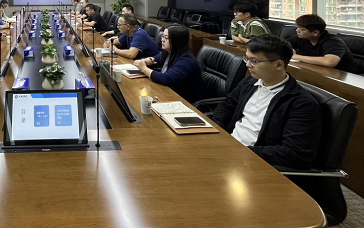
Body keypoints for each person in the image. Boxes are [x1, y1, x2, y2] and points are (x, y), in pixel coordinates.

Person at [212, 35, 322, 169]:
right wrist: (217, 132)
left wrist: (239, 150)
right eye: (247, 58)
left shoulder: (301, 104)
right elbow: (227, 105)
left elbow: (295, 153)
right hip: (228, 147)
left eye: (254, 61)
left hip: (252, 161)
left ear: (278, 64)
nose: (247, 64)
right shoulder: (249, 82)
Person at [134, 25, 204, 103]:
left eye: (166, 38)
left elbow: (167, 79)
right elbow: (155, 58)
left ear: (177, 41)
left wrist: (144, 68)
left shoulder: (186, 60)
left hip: (184, 100)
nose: (162, 40)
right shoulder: (169, 52)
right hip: (168, 92)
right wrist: (146, 60)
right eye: (162, 36)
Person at [288, 14, 356, 71]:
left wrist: (295, 56)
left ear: (315, 33)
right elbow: (283, 44)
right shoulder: (302, 37)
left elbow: (329, 62)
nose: (297, 30)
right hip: (315, 71)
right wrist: (290, 49)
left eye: (302, 29)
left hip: (343, 77)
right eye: (297, 27)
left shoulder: (332, 41)